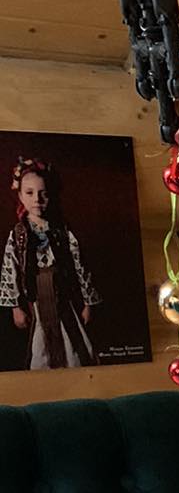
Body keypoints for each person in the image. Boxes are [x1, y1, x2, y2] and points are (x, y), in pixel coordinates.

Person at [0, 157, 100, 369]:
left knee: (73, 347)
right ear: (20, 196)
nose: (37, 199)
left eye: (43, 193)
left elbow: (80, 266)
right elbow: (10, 271)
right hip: (36, 302)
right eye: (29, 193)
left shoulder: (61, 230)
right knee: (40, 348)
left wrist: (87, 304)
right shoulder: (18, 235)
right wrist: (16, 307)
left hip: (63, 299)